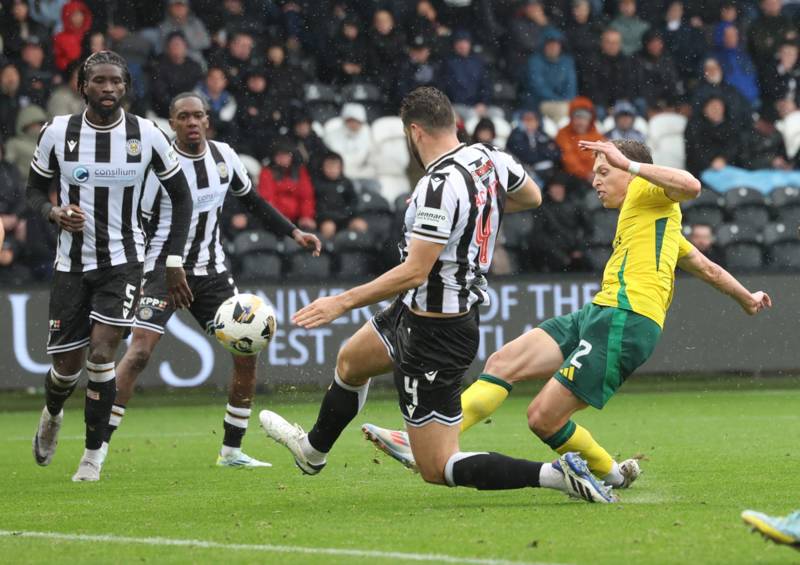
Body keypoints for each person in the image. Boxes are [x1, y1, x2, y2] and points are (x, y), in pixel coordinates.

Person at [258, 86, 614, 504]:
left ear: (414, 132)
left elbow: (415, 270)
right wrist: (481, 213)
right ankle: (312, 452)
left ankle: (555, 474)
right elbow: (531, 196)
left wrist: (340, 301)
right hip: (414, 312)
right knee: (352, 361)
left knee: (437, 466)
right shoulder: (490, 157)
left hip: (435, 334)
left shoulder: (437, 186)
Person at [363, 139, 771, 490]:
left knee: (542, 417)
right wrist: (746, 297)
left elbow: (692, 185)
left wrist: (627, 162)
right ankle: (423, 445)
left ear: (631, 175)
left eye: (603, 171)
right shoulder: (655, 222)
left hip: (625, 320)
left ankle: (609, 474)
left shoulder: (649, 193)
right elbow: (707, 267)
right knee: (504, 362)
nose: (595, 181)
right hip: (599, 312)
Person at [103, 92, 320, 468]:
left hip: (213, 274)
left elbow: (252, 200)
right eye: (183, 116)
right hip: (161, 272)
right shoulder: (157, 167)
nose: (192, 122)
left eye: (198, 116)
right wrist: (138, 273)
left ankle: (232, 451)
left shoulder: (223, 156)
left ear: (207, 120)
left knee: (246, 352)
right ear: (171, 123)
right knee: (138, 354)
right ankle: (98, 448)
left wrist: (293, 233)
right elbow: (137, 222)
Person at [27, 51, 195, 482]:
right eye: (99, 81)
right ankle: (52, 413)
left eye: (116, 82)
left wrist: (173, 260)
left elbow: (182, 197)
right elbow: (31, 195)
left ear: (125, 87)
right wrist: (54, 214)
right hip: (71, 264)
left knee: (102, 355)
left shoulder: (148, 135)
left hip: (124, 262)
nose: (108, 89)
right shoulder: (57, 133)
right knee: (66, 369)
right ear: (83, 86)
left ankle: (93, 455)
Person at [258, 140, 317, 232]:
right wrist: (281, 218)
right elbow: (268, 199)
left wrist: (306, 216)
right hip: (275, 219)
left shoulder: (300, 171)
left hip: (298, 220)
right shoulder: (267, 172)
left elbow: (306, 197)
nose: (283, 158)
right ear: (274, 157)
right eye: (279, 155)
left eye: (286, 155)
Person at [525, 30, 577, 123]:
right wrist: (558, 100)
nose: (553, 48)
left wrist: (568, 100)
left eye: (556, 45)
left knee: (580, 110)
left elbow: (571, 85)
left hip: (565, 102)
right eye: (550, 45)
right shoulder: (535, 61)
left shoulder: (567, 61)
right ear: (544, 46)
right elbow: (538, 87)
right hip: (541, 103)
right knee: (562, 110)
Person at [313, 151, 367, 240]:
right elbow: (318, 207)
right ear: (323, 167)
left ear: (341, 168)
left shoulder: (346, 183)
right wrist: (328, 217)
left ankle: (359, 250)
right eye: (329, 167)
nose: (332, 170)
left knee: (360, 225)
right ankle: (328, 249)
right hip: (326, 219)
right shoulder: (318, 184)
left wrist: (347, 214)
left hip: (345, 217)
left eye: (335, 167)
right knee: (328, 228)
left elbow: (354, 202)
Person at [555, 96, 604, 185]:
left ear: (590, 119)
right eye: (577, 117)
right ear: (571, 118)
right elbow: (568, 159)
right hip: (573, 178)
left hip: (596, 177)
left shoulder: (597, 135)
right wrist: (586, 174)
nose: (581, 122)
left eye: (584, 118)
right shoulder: (563, 134)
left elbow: (602, 158)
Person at [685, 96, 740, 176]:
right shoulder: (695, 126)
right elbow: (694, 151)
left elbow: (735, 147)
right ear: (704, 109)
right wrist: (711, 163)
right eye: (712, 107)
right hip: (701, 172)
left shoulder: (731, 127)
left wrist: (724, 159)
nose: (716, 110)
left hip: (730, 169)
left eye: (719, 107)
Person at [323, 103, 376, 180]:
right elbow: (332, 159)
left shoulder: (368, 134)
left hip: (362, 173)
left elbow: (372, 157)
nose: (354, 124)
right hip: (339, 174)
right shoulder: (332, 136)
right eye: (351, 121)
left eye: (357, 121)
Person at [506, 109, 561, 182]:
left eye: (532, 120)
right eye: (526, 120)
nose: (529, 123)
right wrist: (543, 152)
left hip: (549, 170)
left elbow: (556, 153)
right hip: (526, 170)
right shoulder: (516, 136)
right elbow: (525, 155)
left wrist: (540, 152)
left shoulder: (543, 135)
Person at [53, 1, 92, 72]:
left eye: (80, 14)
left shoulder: (90, 34)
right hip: (69, 73)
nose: (78, 17)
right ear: (68, 17)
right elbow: (59, 60)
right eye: (74, 14)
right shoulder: (60, 37)